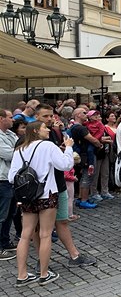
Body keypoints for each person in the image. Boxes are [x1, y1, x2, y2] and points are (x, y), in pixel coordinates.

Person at [8, 121, 74, 287]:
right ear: (37, 130)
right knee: (45, 234)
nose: (48, 129)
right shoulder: (48, 146)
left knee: (25, 235)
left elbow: (11, 177)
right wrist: (69, 147)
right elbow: (65, 165)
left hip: (27, 196)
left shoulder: (19, 149)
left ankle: (22, 275)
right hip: (46, 194)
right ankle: (44, 274)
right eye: (45, 127)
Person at [33, 105, 96, 268]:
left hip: (58, 184)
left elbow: (56, 155)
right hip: (40, 189)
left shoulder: (52, 132)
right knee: (39, 228)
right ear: (36, 116)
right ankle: (42, 260)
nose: (49, 119)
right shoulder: (32, 137)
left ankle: (74, 255)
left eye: (50, 116)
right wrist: (67, 150)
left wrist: (62, 150)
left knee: (62, 221)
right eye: (45, 116)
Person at [0, 108, 18, 261]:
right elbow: (9, 154)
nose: (13, 120)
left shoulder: (11, 134)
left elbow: (18, 149)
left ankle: (5, 241)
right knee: (1, 214)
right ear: (1, 119)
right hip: (2, 179)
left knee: (10, 213)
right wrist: (19, 151)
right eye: (10, 117)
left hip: (11, 178)